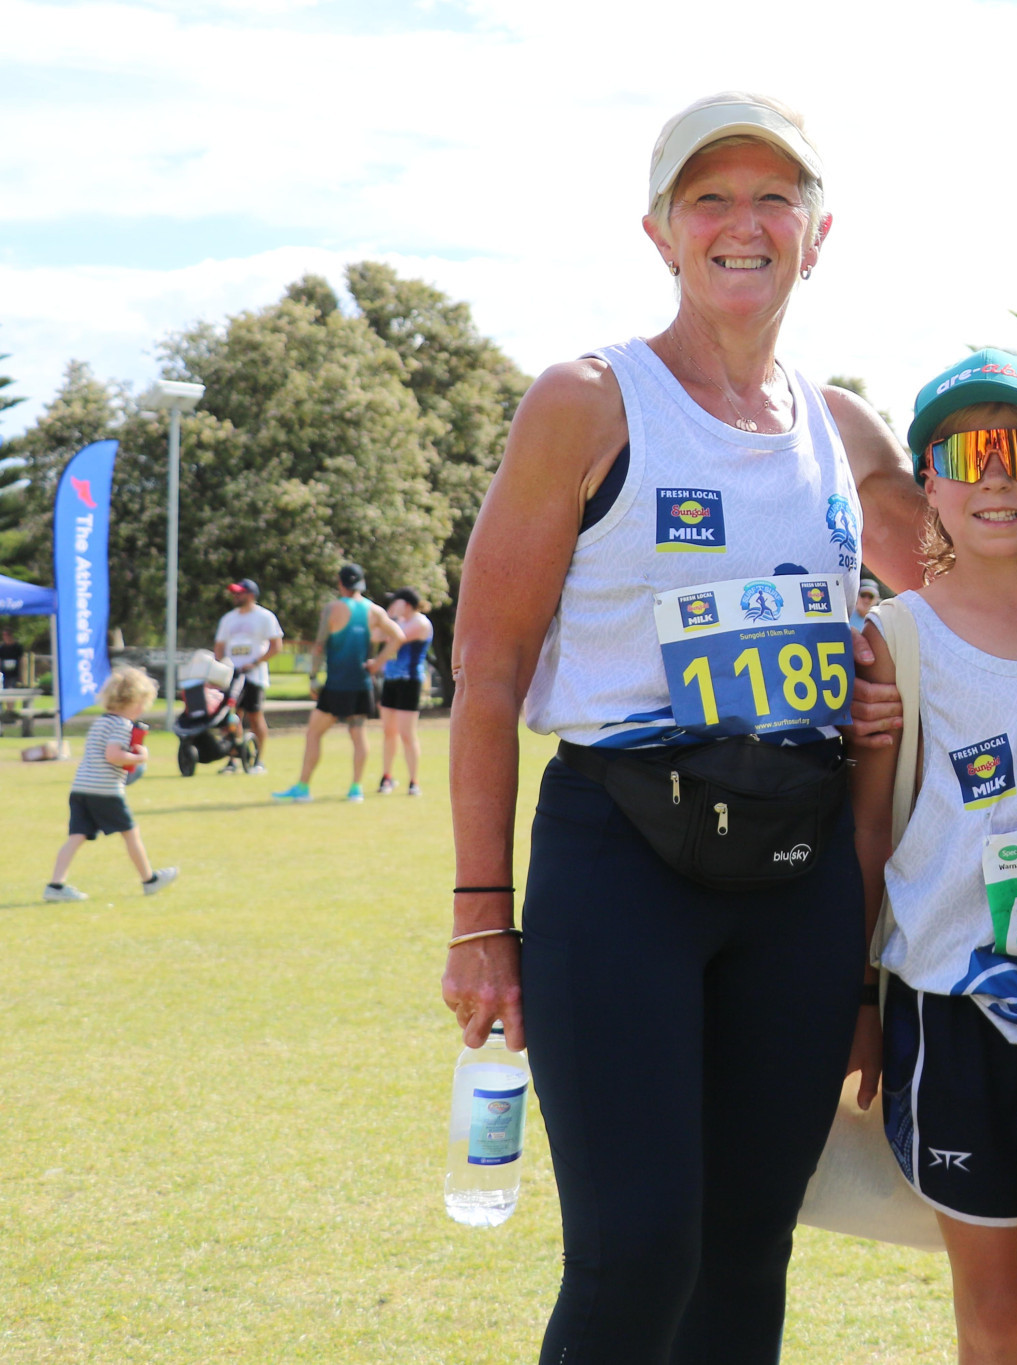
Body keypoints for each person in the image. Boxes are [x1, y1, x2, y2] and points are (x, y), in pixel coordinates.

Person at [440, 93, 927, 1363]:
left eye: (776, 198)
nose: (743, 224)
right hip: (621, 856)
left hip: (797, 874)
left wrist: (883, 679)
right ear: (659, 232)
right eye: (708, 198)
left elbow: (971, 605)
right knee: (635, 1248)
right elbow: (485, 668)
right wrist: (481, 914)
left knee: (748, 1242)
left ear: (818, 236)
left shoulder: (850, 434)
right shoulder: (588, 401)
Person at [850, 352, 1017, 1365]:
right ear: (930, 486)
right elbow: (869, 833)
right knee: (999, 1305)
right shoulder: (894, 638)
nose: (994, 477)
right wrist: (855, 1002)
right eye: (966, 453)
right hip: (951, 1009)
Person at [43, 666, 177, 901]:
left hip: (81, 788)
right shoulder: (121, 725)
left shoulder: (101, 722)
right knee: (131, 833)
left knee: (76, 836)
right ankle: (149, 880)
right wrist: (140, 757)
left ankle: (55, 885)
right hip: (105, 790)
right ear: (136, 702)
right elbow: (113, 755)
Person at [273, 564, 402, 804]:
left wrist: (312, 677)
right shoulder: (374, 611)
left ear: (340, 583)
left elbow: (319, 645)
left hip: (336, 684)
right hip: (362, 684)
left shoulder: (332, 609)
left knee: (313, 733)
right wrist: (377, 663)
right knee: (358, 734)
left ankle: (303, 788)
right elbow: (398, 637)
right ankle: (356, 789)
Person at [214, 577, 283, 773]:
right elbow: (219, 645)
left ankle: (259, 760)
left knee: (254, 716)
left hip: (254, 675)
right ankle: (233, 759)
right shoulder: (228, 618)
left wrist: (256, 662)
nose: (235, 596)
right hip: (231, 674)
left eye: (240, 592)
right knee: (230, 716)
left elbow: (276, 645)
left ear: (251, 595)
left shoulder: (264, 617)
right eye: (234, 593)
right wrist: (220, 666)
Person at [376, 588, 434, 795]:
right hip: (391, 680)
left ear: (407, 603)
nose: (393, 606)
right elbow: (376, 635)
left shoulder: (420, 623)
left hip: (409, 681)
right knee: (388, 732)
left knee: (406, 733)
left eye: (396, 602)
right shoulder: (398, 621)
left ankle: (413, 781)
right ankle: (387, 777)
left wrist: (387, 620)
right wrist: (387, 622)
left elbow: (396, 638)